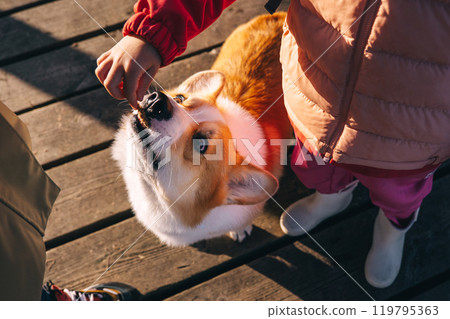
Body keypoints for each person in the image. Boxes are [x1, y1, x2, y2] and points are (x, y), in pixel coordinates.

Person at [95, 0, 450, 288]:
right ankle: (332, 199)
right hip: (316, 109)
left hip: (410, 138)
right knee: (316, 172)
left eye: (202, 142)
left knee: (399, 195)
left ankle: (393, 227)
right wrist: (156, 26)